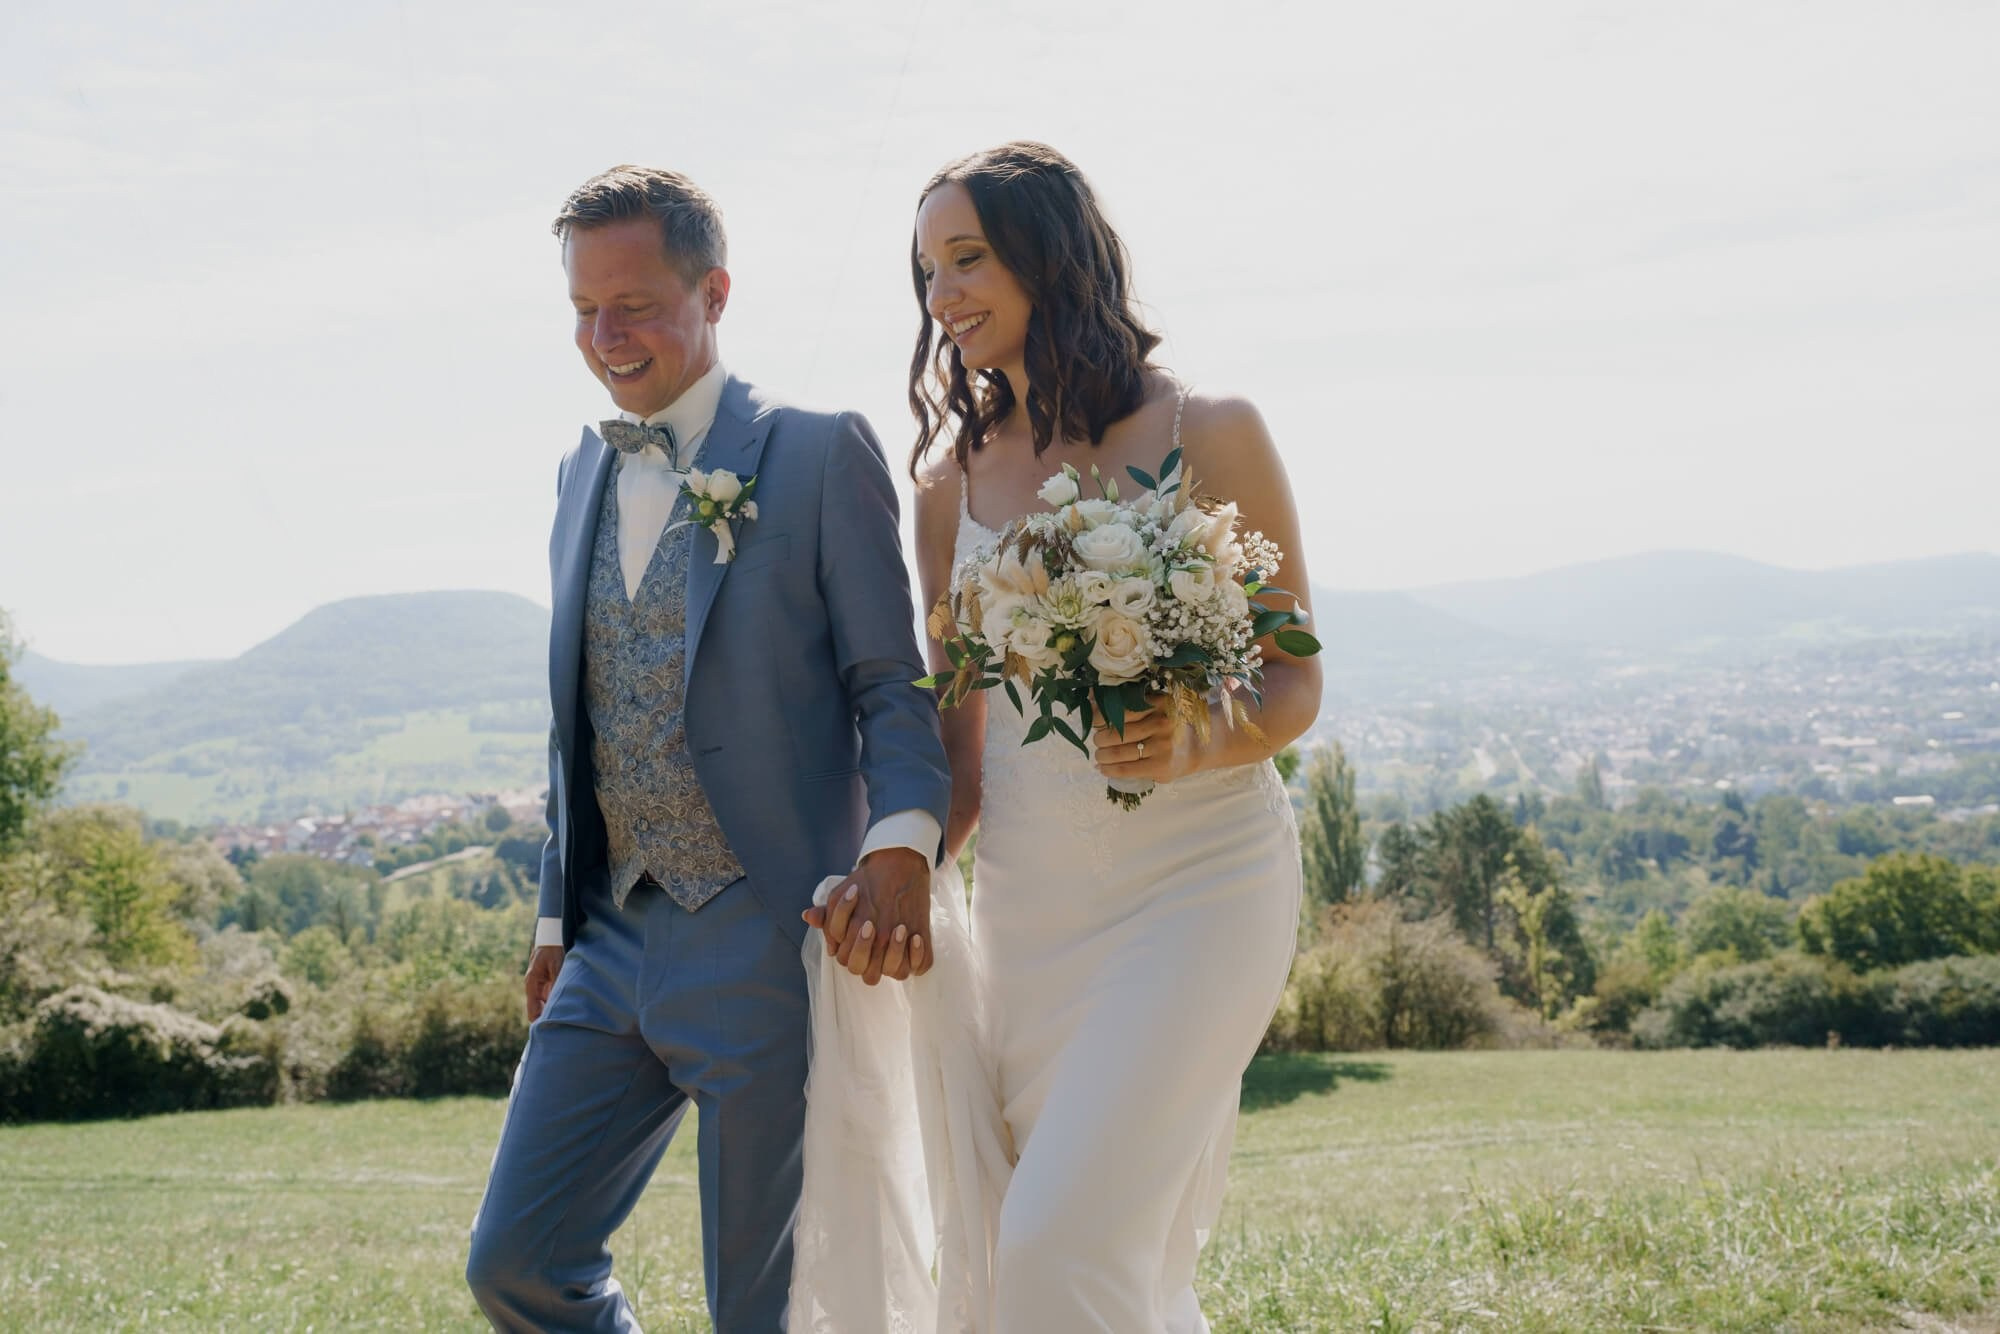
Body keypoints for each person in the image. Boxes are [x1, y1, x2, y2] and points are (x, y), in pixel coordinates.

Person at [835, 140, 1320, 1332]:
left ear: (1049, 257)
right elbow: (961, 746)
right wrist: (886, 866)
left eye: (967, 257)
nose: (941, 294)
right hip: (1030, 916)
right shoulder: (946, 485)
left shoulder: (1208, 427)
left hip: (1199, 886)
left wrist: (1196, 736)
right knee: (1054, 1254)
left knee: (1058, 1243)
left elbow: (1294, 681)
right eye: (925, 270)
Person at [465, 164, 952, 1333]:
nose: (605, 333)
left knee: (759, 1304)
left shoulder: (818, 450)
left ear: (714, 291)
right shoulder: (578, 467)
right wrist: (551, 914)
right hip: (605, 934)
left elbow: (891, 684)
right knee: (516, 1262)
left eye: (632, 303)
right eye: (583, 308)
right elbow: (573, 711)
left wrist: (902, 843)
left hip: (762, 925)